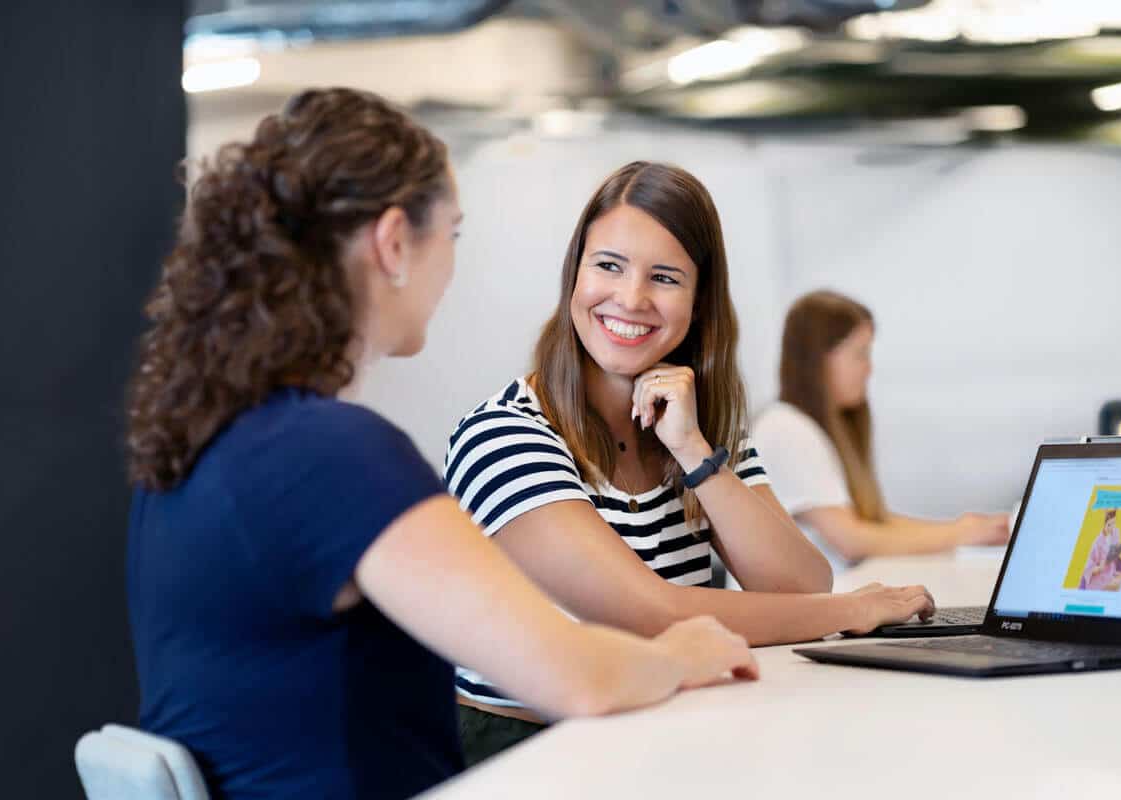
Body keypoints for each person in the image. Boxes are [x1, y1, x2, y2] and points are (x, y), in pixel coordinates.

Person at [124, 89, 763, 800]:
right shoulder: (334, 456)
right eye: (451, 235)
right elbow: (574, 675)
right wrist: (682, 651)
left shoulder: (211, 440)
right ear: (395, 243)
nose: (453, 267)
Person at [444, 161, 936, 761]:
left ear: (700, 302)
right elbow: (650, 616)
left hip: (673, 723)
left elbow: (798, 584)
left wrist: (695, 454)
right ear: (574, 275)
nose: (631, 298)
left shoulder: (699, 427)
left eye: (665, 277)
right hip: (530, 749)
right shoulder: (501, 436)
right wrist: (850, 612)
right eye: (608, 266)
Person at [751, 290, 1010, 572]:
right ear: (820, 360)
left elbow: (873, 521)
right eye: (860, 354)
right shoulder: (786, 428)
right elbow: (851, 539)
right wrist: (958, 535)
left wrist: (962, 528)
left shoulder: (809, 427)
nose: (869, 369)